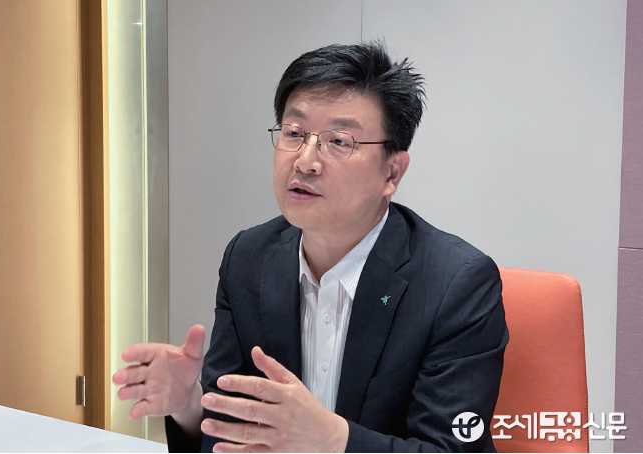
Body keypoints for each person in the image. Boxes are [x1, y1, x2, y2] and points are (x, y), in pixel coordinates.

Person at [112, 41, 508, 453]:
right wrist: (190, 404)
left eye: (339, 141)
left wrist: (333, 440)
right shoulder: (248, 258)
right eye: (294, 133)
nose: (305, 161)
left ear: (392, 173)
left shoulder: (456, 284)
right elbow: (230, 427)